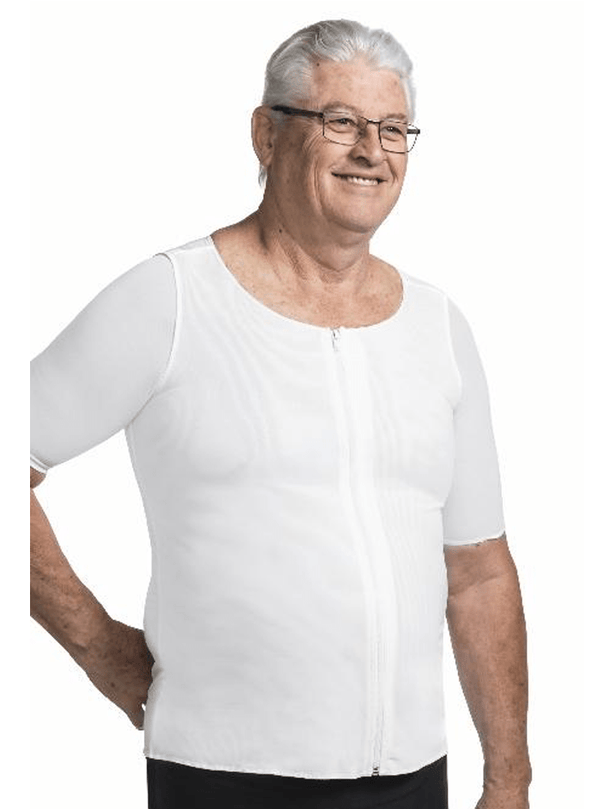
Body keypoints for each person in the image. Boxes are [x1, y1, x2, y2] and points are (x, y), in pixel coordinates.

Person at [30, 18, 532, 809]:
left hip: (411, 776)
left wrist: (509, 777)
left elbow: (479, 571)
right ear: (267, 134)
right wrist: (97, 646)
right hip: (223, 775)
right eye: (342, 121)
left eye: (393, 128)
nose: (372, 150)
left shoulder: (438, 327)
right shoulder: (171, 300)